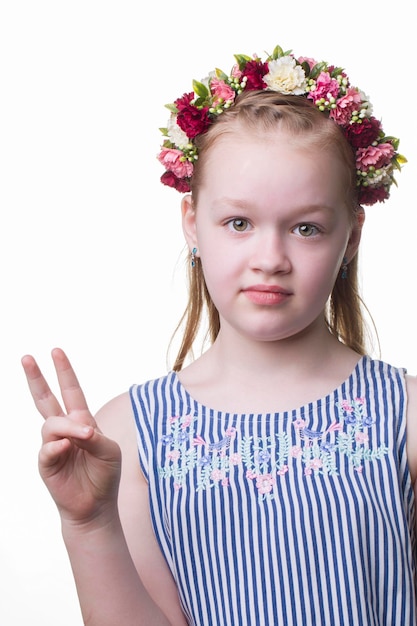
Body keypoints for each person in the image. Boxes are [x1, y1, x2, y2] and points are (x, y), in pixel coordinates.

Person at [22, 43, 416, 626]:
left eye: (306, 227)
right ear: (192, 224)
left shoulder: (404, 416)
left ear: (351, 237)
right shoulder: (128, 433)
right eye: (239, 223)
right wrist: (89, 523)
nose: (270, 258)